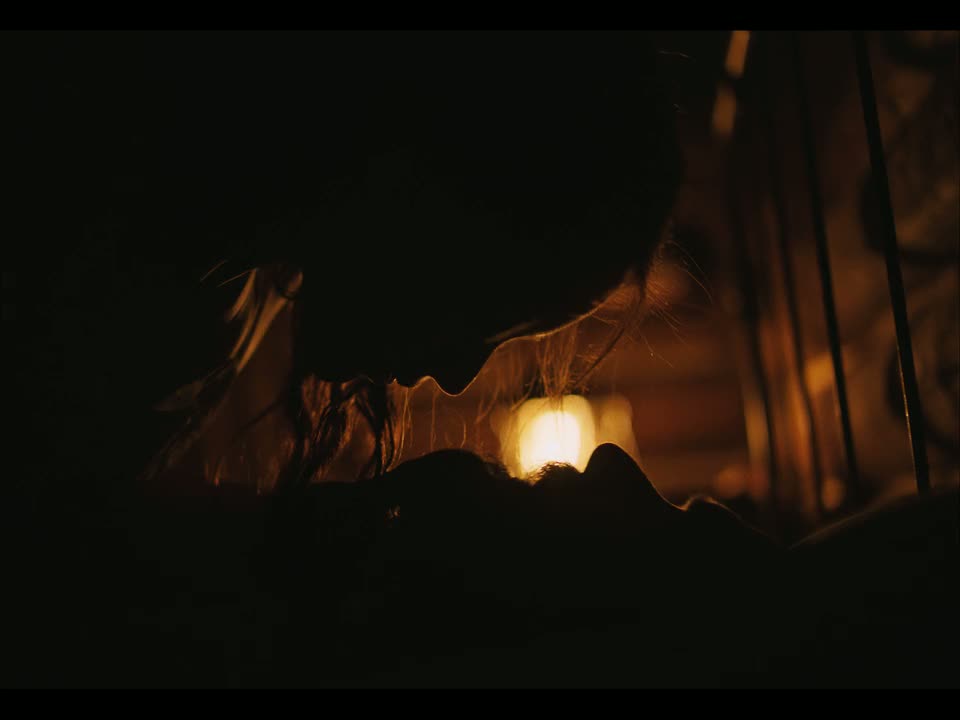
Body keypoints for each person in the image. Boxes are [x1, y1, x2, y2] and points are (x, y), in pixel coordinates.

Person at [7, 31, 956, 687]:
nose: (459, 376)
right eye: (499, 312)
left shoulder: (198, 288)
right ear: (452, 185)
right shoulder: (105, 221)